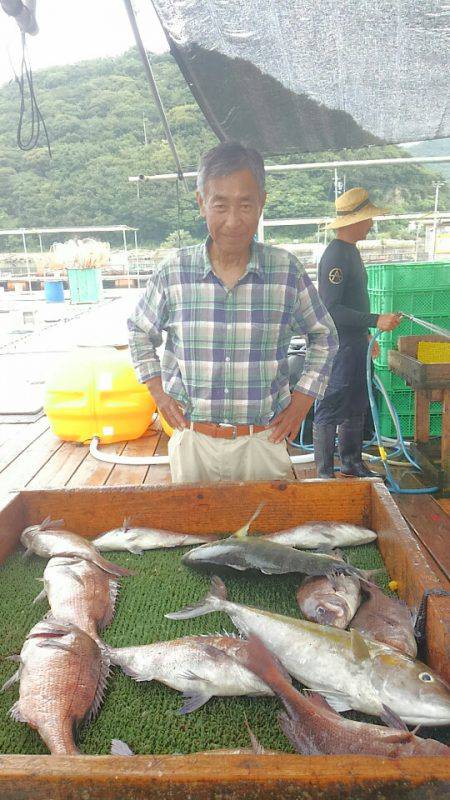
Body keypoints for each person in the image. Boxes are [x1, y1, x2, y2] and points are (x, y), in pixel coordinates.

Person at [128, 141, 338, 484]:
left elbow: (324, 337)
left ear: (262, 204)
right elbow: (139, 330)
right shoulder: (173, 272)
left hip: (263, 439)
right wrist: (158, 393)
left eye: (245, 205)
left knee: (270, 532)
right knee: (195, 534)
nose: (233, 220)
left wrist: (302, 402)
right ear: (201, 203)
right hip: (193, 439)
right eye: (220, 205)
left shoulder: (285, 270)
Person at [313, 187, 402, 479]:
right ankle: (325, 473)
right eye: (368, 219)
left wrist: (365, 334)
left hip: (355, 342)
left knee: (357, 403)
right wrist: (377, 319)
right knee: (331, 404)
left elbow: (353, 302)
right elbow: (331, 309)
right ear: (354, 222)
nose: (371, 224)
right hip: (339, 346)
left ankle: (351, 463)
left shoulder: (351, 252)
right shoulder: (336, 256)